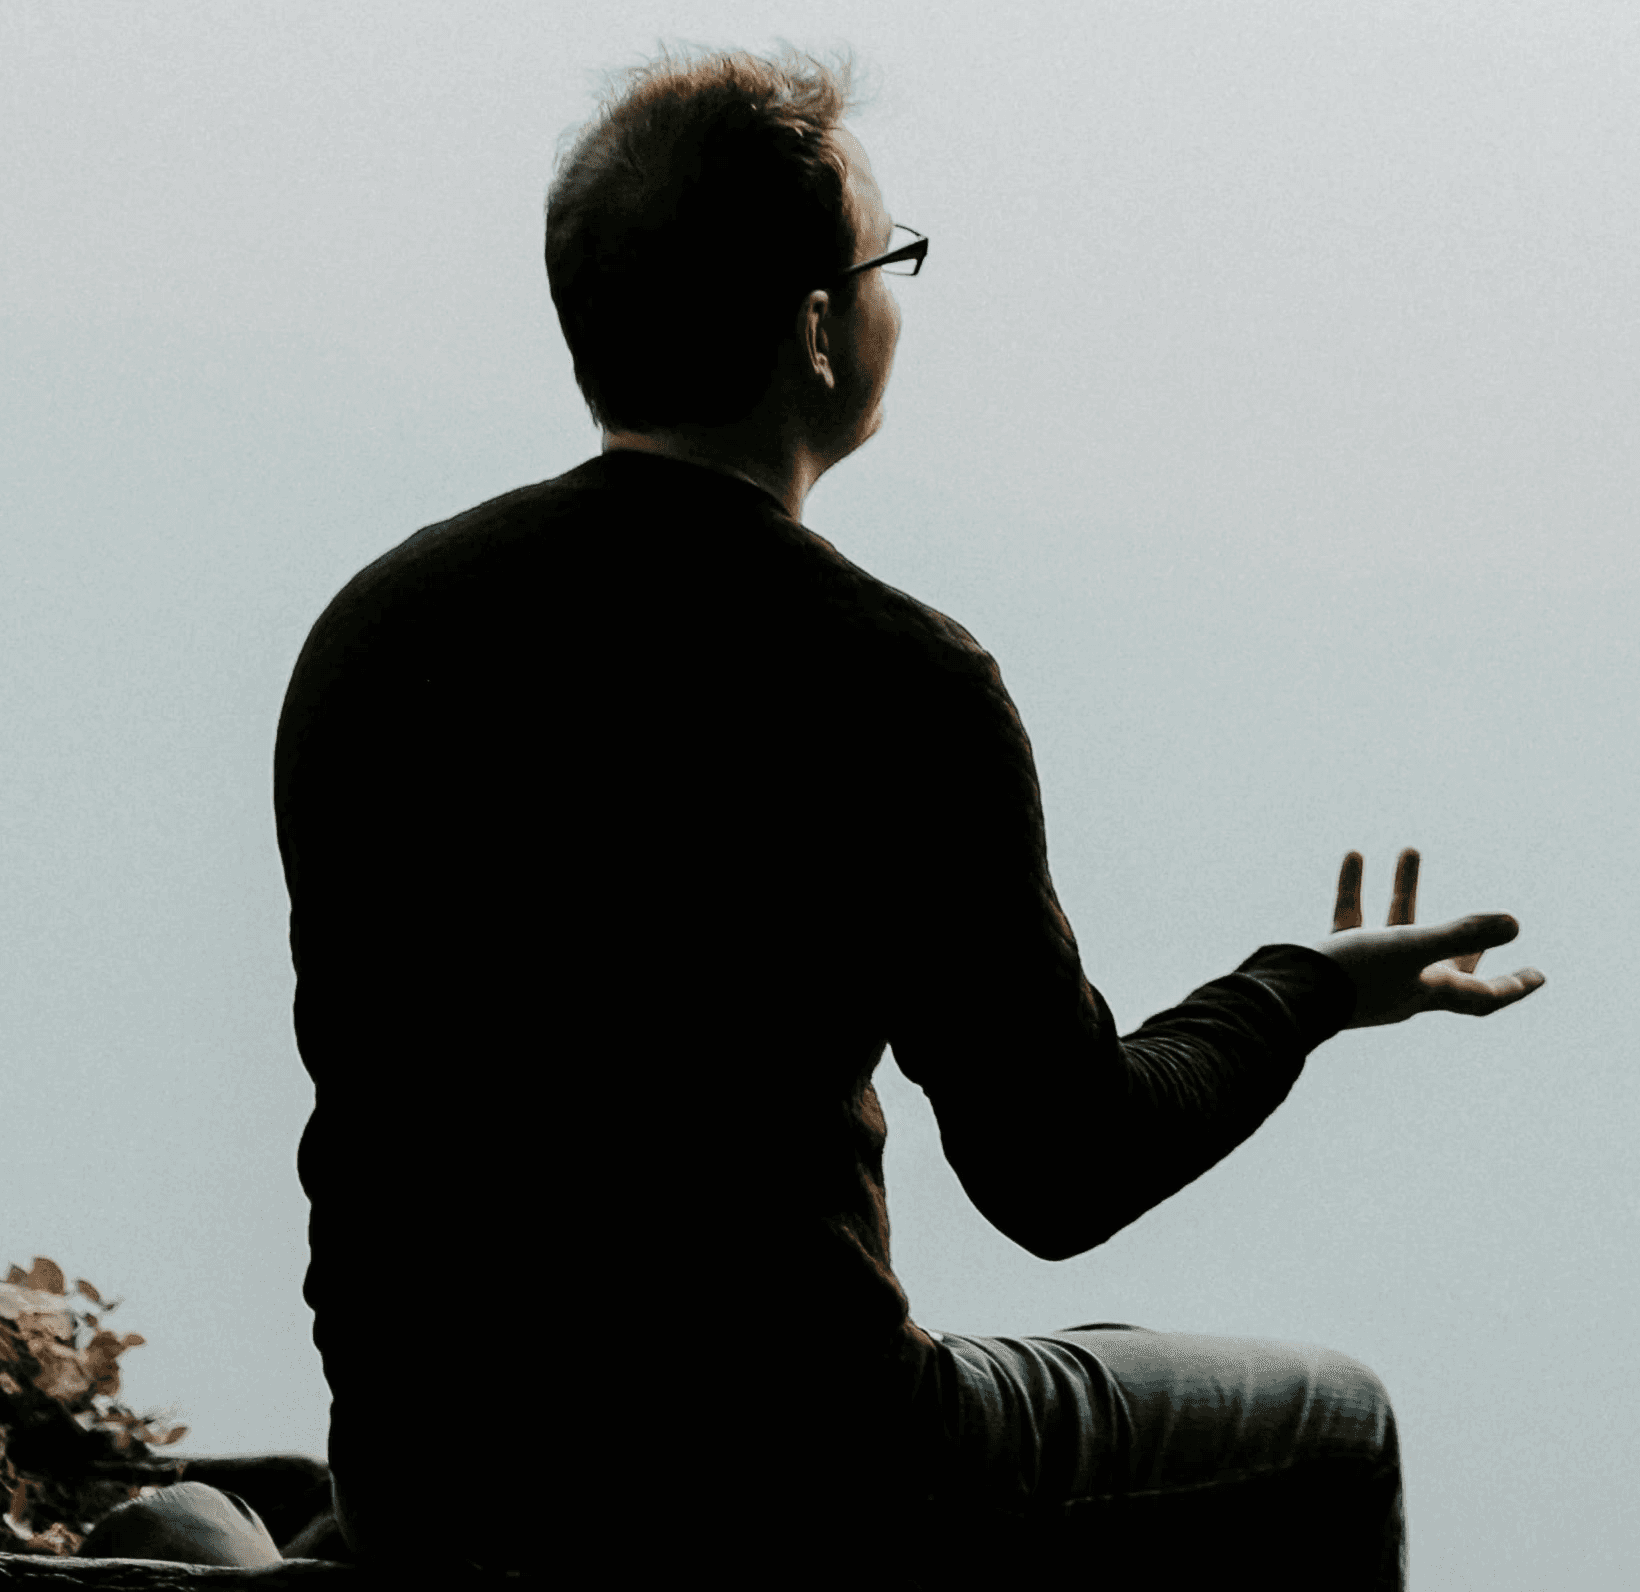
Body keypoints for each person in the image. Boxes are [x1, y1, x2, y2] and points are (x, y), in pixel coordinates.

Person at [271, 49, 1542, 1584]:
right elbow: (1059, 1174)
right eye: (892, 261)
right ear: (817, 328)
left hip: (437, 1486)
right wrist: (1311, 991)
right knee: (1329, 1425)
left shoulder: (377, 627)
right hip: (796, 1484)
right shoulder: (890, 674)